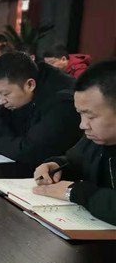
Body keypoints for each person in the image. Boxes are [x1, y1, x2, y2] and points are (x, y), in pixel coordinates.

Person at [0, 52, 82, 167]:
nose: (1, 101)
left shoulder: (62, 102)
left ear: (30, 85)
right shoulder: (19, 92)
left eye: (5, 94)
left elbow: (31, 151)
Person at [33, 60, 116, 224]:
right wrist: (56, 165)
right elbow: (75, 160)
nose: (83, 125)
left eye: (90, 116)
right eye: (80, 114)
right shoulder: (98, 138)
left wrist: (75, 192)